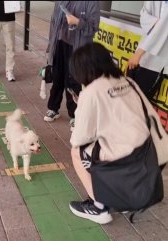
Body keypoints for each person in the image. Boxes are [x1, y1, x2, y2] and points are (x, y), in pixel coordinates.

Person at [67, 42, 166, 224]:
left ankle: (99, 207)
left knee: (76, 152)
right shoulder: (128, 82)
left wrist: (80, 107)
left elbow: (80, 138)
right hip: (157, 151)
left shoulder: (91, 92)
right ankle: (123, 196)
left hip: (132, 158)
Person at [43, 1, 100, 131]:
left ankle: (75, 115)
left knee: (74, 81)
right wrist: (51, 45)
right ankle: (53, 108)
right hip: (59, 44)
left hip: (77, 48)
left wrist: (77, 22)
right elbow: (53, 23)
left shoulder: (92, 2)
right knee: (57, 77)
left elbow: (94, 26)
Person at [127, 1, 168, 100]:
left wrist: (139, 53)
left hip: (156, 61)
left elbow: (163, 26)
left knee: (139, 103)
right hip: (141, 55)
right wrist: (154, 22)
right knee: (127, 99)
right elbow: (143, 14)